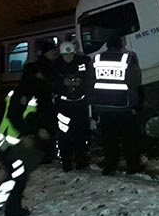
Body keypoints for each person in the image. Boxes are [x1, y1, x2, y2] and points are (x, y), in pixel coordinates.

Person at [0, 63, 55, 216]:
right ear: (37, 75)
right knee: (17, 176)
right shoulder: (25, 92)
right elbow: (15, 116)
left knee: (16, 176)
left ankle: (2, 209)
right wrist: (28, 134)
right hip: (8, 140)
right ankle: (8, 210)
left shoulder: (25, 90)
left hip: (7, 139)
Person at [91, 35, 143, 175]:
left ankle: (110, 165)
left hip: (103, 106)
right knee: (129, 138)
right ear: (120, 45)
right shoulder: (127, 58)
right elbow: (135, 80)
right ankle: (132, 165)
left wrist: (94, 106)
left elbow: (91, 82)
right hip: (123, 106)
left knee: (109, 140)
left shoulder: (96, 59)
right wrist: (135, 102)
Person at [53, 41, 92, 171]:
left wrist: (80, 83)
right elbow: (51, 84)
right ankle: (66, 161)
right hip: (64, 105)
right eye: (66, 55)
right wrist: (63, 83)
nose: (69, 58)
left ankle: (81, 160)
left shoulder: (83, 62)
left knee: (81, 133)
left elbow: (89, 79)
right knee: (64, 134)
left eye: (70, 55)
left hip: (80, 104)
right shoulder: (55, 66)